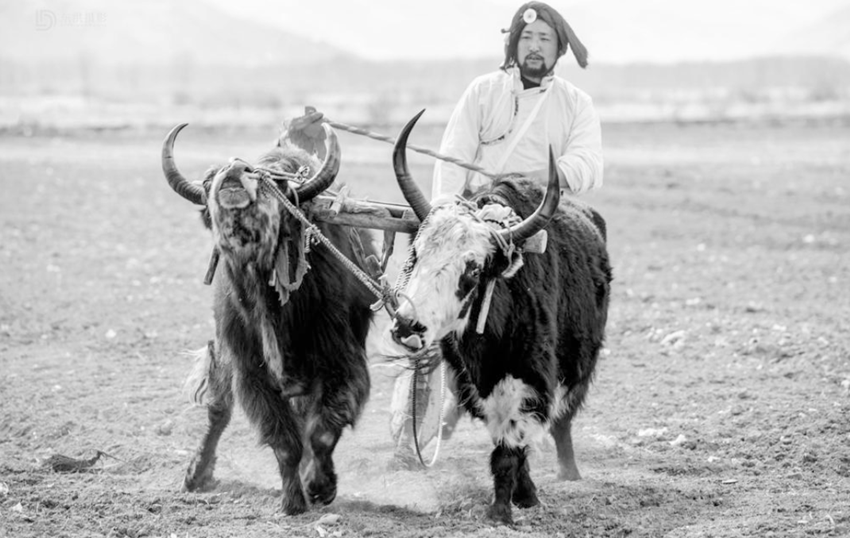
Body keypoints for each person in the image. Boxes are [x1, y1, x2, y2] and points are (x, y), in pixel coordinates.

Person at [389, 1, 604, 465]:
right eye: (527, 38)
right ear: (513, 44)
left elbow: (589, 164)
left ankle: (539, 415)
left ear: (559, 49)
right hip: (474, 224)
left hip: (536, 222)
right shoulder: (483, 91)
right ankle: (422, 423)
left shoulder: (575, 104)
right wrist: (444, 219)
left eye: (545, 39)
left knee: (531, 334)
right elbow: (452, 160)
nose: (535, 47)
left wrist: (534, 183)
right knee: (431, 307)